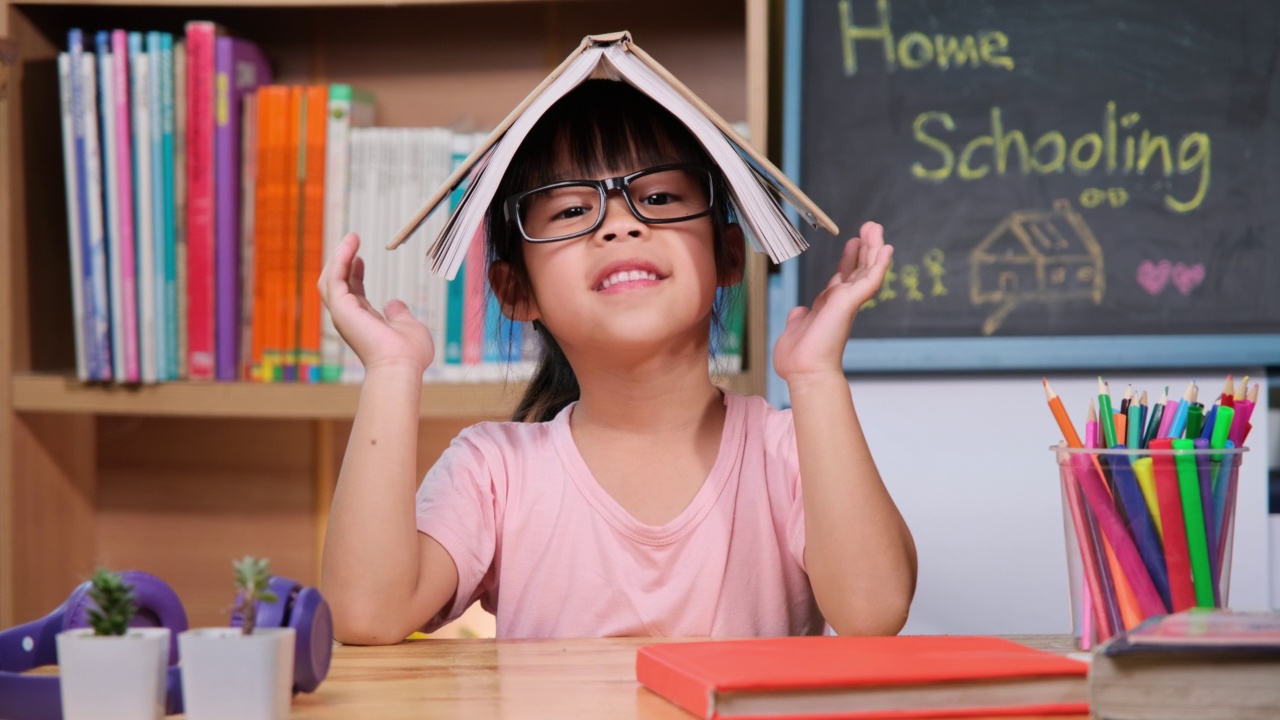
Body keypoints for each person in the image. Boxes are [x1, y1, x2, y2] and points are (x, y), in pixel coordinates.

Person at [318, 80, 917, 643]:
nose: (621, 225)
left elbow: (873, 611)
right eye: (572, 211)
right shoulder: (493, 471)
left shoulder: (788, 451)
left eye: (657, 197)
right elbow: (366, 614)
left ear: (729, 255)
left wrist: (816, 377)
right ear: (514, 292)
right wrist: (392, 373)